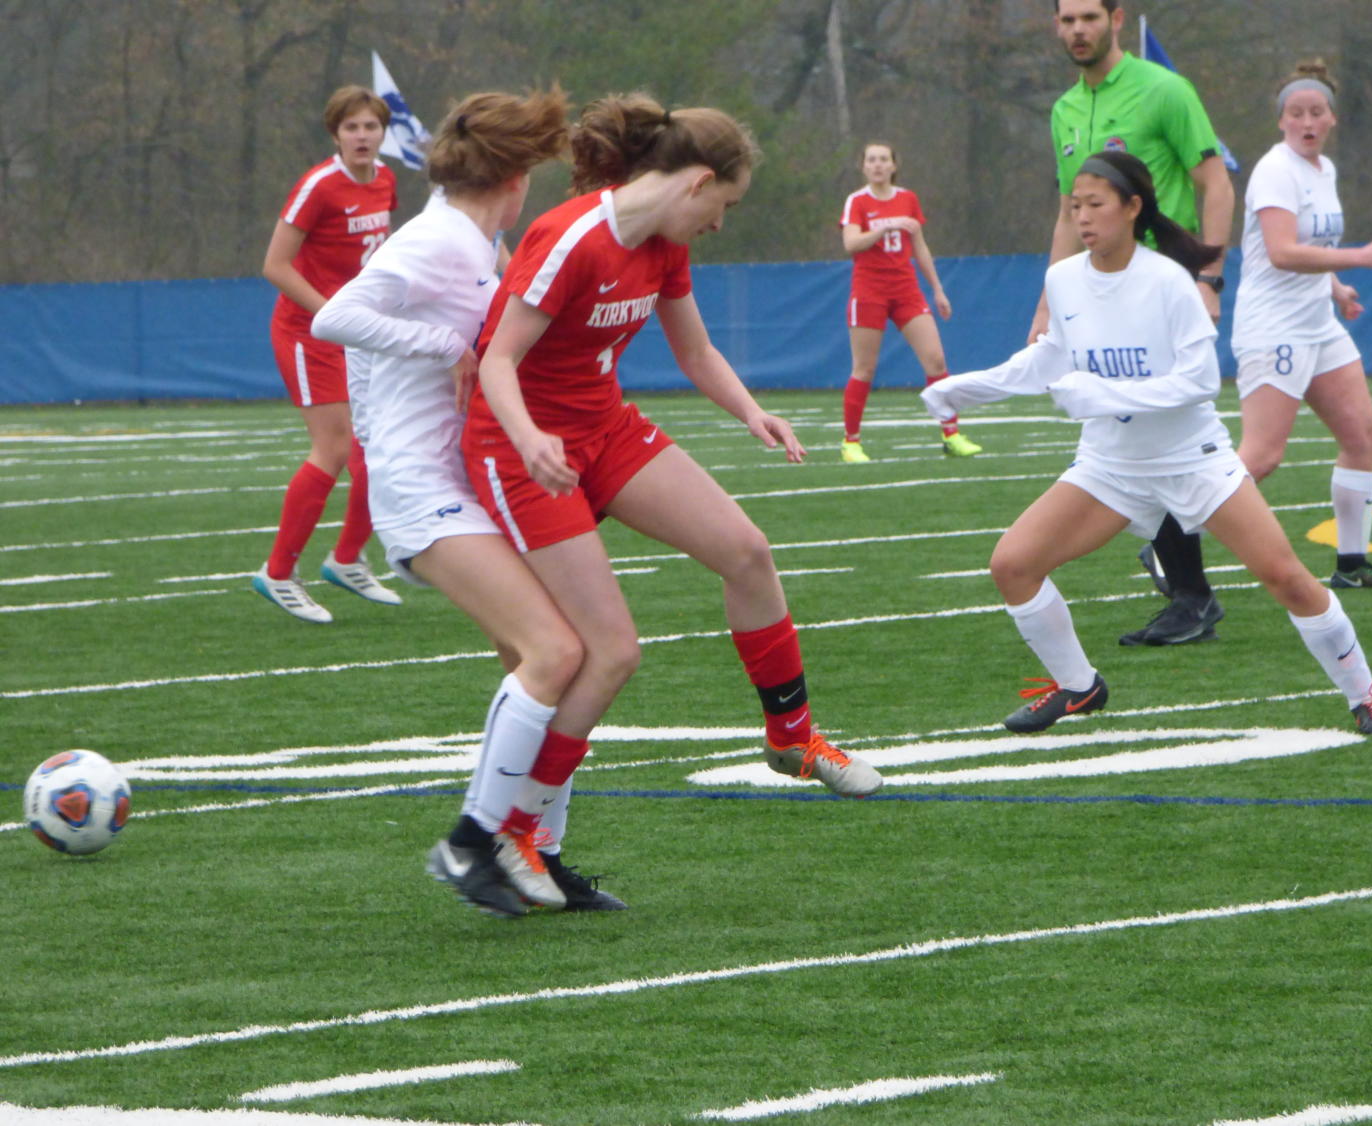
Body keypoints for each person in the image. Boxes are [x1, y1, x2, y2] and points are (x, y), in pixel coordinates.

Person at [463, 92, 883, 830]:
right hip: (520, 450)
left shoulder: (664, 242)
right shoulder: (571, 238)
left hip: (603, 428)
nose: (719, 222)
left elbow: (693, 350)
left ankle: (791, 738)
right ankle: (516, 831)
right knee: (602, 653)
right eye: (722, 203)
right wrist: (530, 439)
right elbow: (497, 360)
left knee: (748, 553)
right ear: (693, 182)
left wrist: (751, 410)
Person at [922, 150, 1372, 737]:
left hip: (1191, 461)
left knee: (1287, 579)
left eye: (1095, 205)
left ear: (1132, 208)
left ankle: (1367, 694)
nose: (1083, 218)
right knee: (1013, 565)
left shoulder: (1169, 282)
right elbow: (1048, 359)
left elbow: (1198, 383)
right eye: (1075, 207)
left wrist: (1102, 397)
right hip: (1110, 467)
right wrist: (966, 390)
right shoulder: (1064, 278)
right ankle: (1079, 687)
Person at [312, 88, 628, 917]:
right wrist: (444, 345)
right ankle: (469, 844)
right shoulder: (440, 240)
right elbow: (337, 317)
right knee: (556, 654)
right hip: (423, 495)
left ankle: (538, 856)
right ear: (515, 174)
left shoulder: (474, 239)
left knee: (556, 664)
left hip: (463, 484)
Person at [1037, 0, 1234, 647]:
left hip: (1161, 290)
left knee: (1165, 435)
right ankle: (1189, 591)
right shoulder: (1064, 110)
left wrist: (1207, 276)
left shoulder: (1164, 90)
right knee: (1121, 435)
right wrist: (1046, 301)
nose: (1077, 30)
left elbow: (1214, 183)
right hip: (1099, 297)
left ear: (1116, 18)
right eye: (1066, 20)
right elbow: (1071, 215)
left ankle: (1194, 592)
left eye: (1088, 16)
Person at [1232, 59, 1372, 589]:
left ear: (1332, 118)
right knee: (1262, 455)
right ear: (1281, 121)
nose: (1307, 122)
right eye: (1296, 113)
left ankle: (1352, 565)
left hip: (1317, 323)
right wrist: (1362, 258)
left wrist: (1336, 288)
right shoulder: (1275, 170)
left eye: (1316, 112)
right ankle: (1172, 537)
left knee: (1361, 435)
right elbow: (1282, 252)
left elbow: (1315, 248)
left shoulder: (1323, 170)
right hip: (1274, 328)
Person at [255, 85, 404, 623]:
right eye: (351, 128)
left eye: (370, 126)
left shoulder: (386, 180)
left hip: (356, 334)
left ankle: (346, 560)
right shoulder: (318, 186)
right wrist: (331, 315)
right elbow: (275, 265)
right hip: (308, 332)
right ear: (335, 134)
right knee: (334, 448)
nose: (362, 136)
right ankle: (277, 573)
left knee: (376, 446)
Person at [837, 141, 980, 463]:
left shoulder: (907, 199)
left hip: (906, 290)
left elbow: (920, 248)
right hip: (869, 291)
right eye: (871, 160)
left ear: (893, 165)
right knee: (864, 367)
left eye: (883, 159)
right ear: (863, 166)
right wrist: (884, 226)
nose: (877, 165)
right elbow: (851, 243)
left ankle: (952, 435)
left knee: (936, 361)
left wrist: (938, 289)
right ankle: (851, 442)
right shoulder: (857, 201)